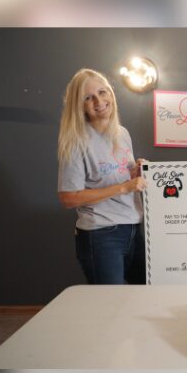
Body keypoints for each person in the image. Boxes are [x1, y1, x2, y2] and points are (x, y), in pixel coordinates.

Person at [57, 68, 147, 284]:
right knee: (109, 306)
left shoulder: (122, 133)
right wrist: (124, 188)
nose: (99, 101)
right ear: (79, 106)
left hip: (134, 228)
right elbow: (68, 198)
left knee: (144, 297)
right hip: (101, 235)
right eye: (88, 98)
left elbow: (115, 174)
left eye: (102, 92)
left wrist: (135, 171)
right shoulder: (76, 141)